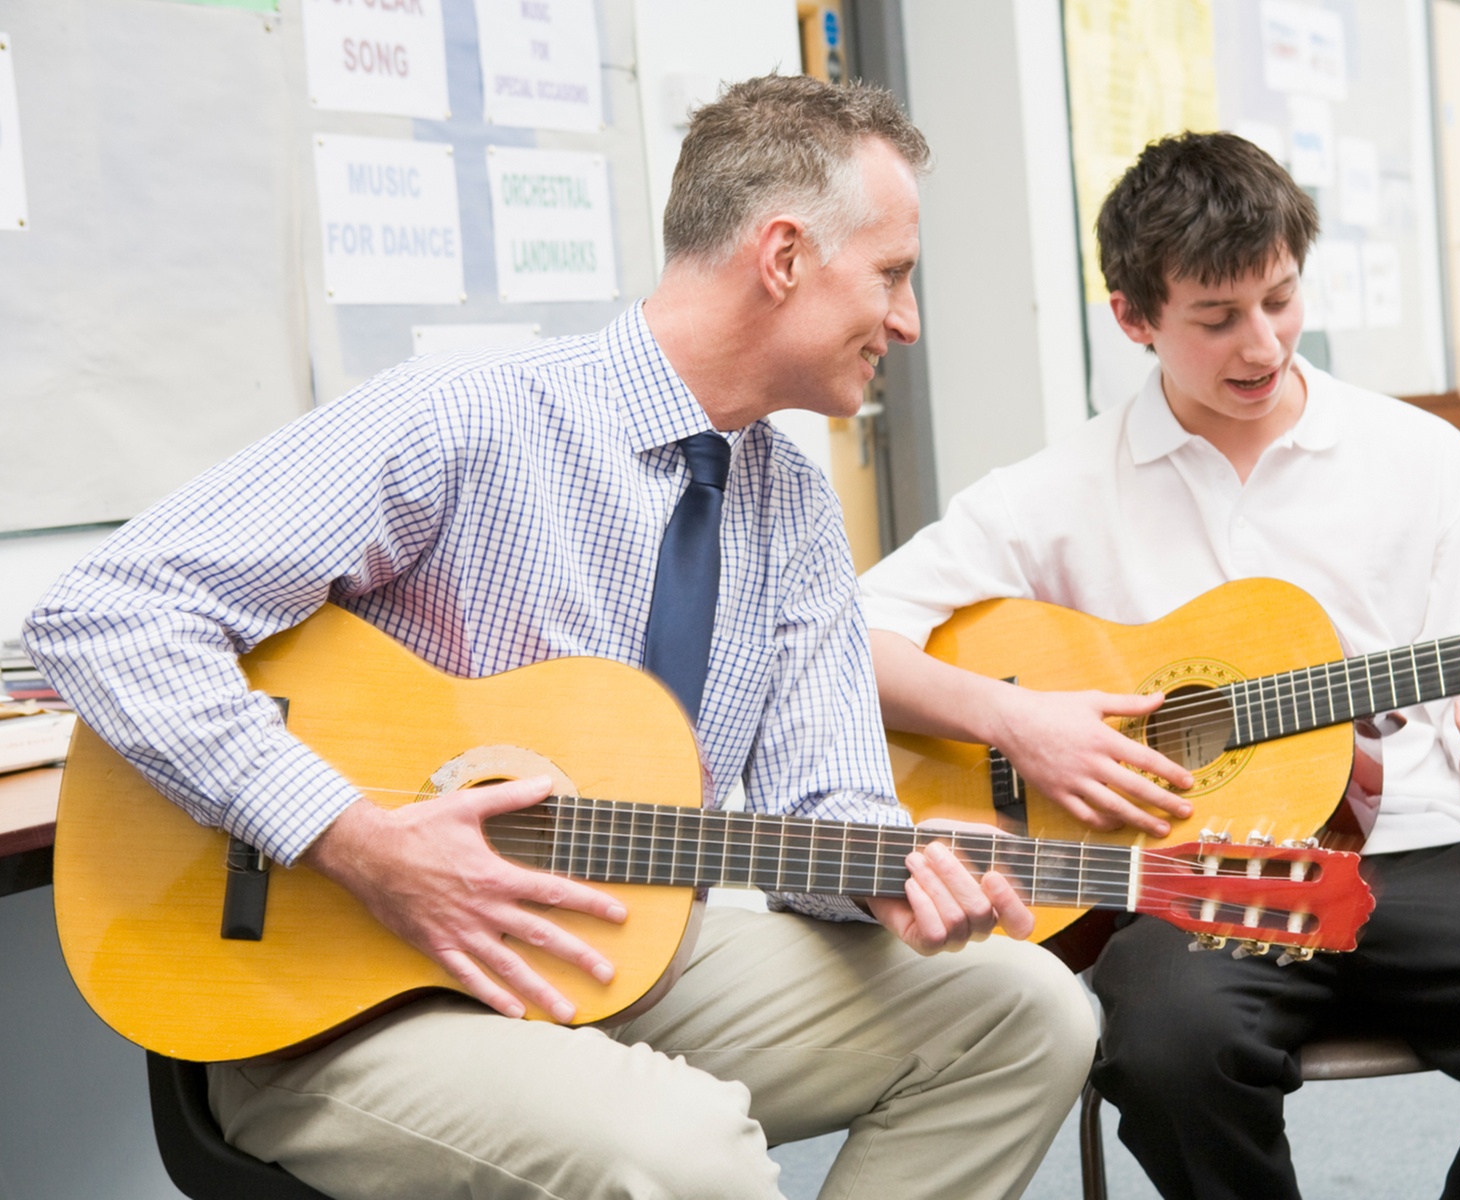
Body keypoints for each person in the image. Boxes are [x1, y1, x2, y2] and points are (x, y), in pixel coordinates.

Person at [25, 76, 1095, 1200]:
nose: (909, 321)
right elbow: (105, 612)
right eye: (892, 274)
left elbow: (828, 806)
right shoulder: (464, 416)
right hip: (350, 1004)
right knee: (688, 1153)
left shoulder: (793, 498)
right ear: (783, 257)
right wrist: (353, 839)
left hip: (613, 957)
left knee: (1027, 1011)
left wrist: (894, 877)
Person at [860, 132, 1460, 1200]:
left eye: (1280, 300)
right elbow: (848, 632)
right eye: (1216, 318)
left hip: (1424, 849)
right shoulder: (1060, 489)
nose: (1263, 346)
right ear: (1134, 318)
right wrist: (1018, 725)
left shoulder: (1422, 459)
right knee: (1162, 1053)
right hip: (1190, 875)